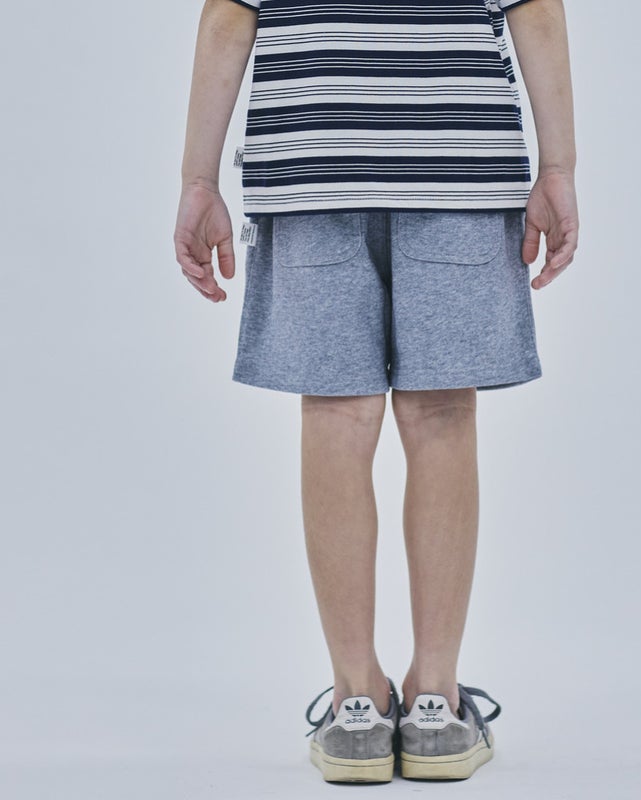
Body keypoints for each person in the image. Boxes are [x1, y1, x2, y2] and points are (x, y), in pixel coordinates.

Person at [174, 0, 577, 783]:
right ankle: (435, 706)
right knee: (442, 412)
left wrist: (198, 177)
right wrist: (557, 166)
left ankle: (356, 705)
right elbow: (537, 9)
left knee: (336, 414)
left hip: (311, 156)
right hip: (457, 153)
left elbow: (228, 15)